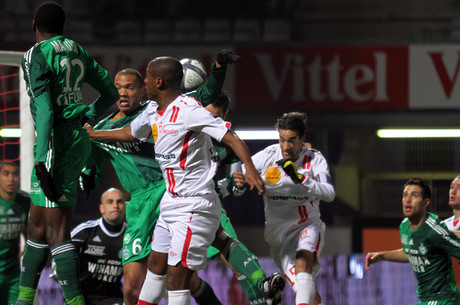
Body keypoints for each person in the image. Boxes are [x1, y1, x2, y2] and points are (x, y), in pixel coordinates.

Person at [84, 56, 265, 305]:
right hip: (171, 200)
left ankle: (260, 285)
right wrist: (95, 134)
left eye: (145, 77)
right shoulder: (152, 110)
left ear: (158, 82)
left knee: (177, 281)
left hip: (193, 204)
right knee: (156, 268)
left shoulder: (188, 110)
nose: (143, 81)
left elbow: (231, 138)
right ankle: (260, 280)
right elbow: (129, 132)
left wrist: (250, 169)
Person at [18, 2, 119, 305]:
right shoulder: (76, 48)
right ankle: (22, 301)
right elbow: (111, 93)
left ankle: (75, 302)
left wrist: (39, 159)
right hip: (77, 140)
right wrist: (88, 113)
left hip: (55, 144)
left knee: (56, 230)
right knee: (36, 225)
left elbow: (47, 109)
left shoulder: (36, 55)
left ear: (34, 24)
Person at [188, 92, 285, 305]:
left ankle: (262, 290)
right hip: (177, 203)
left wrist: (237, 185)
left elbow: (233, 186)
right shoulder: (187, 132)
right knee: (181, 276)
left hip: (208, 202)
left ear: (225, 115)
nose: (211, 123)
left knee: (233, 257)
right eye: (208, 116)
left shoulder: (227, 141)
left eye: (216, 118)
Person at [244, 112, 335, 305]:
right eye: (282, 140)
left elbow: (329, 193)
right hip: (278, 238)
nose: (285, 146)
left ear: (303, 140)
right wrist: (241, 179)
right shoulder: (268, 156)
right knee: (308, 294)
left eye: (292, 140)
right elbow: (241, 171)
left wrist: (301, 179)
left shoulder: (315, 160)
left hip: (307, 225)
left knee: (303, 264)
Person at [365, 178, 460, 304]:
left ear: (426, 203)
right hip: (426, 299)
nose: (408, 200)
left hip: (444, 299)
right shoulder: (404, 226)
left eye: (414, 195)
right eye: (405, 195)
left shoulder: (433, 230)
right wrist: (382, 256)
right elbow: (411, 252)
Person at [70, 188, 126, 305]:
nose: (115, 205)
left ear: (125, 207)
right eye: (110, 202)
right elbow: (61, 259)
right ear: (101, 209)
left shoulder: (132, 235)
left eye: (119, 202)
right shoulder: (84, 231)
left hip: (113, 299)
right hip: (81, 297)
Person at [0, 162, 30, 305]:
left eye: (15, 174)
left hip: (13, 274)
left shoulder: (24, 200)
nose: (11, 179)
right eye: (6, 174)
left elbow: (26, 224)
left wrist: (28, 242)